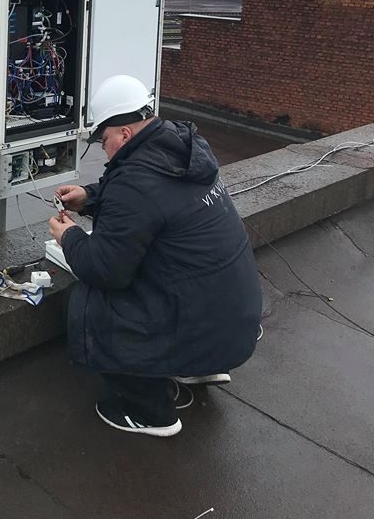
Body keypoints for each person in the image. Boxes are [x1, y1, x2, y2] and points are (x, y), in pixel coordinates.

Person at [48, 74, 262, 437]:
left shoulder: (136, 182)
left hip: (201, 325)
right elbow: (153, 198)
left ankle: (147, 412)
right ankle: (198, 367)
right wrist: (90, 195)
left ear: (125, 135)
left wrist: (68, 236)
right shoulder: (184, 146)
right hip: (234, 321)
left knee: (92, 301)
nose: (104, 149)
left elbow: (104, 269)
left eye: (104, 141)